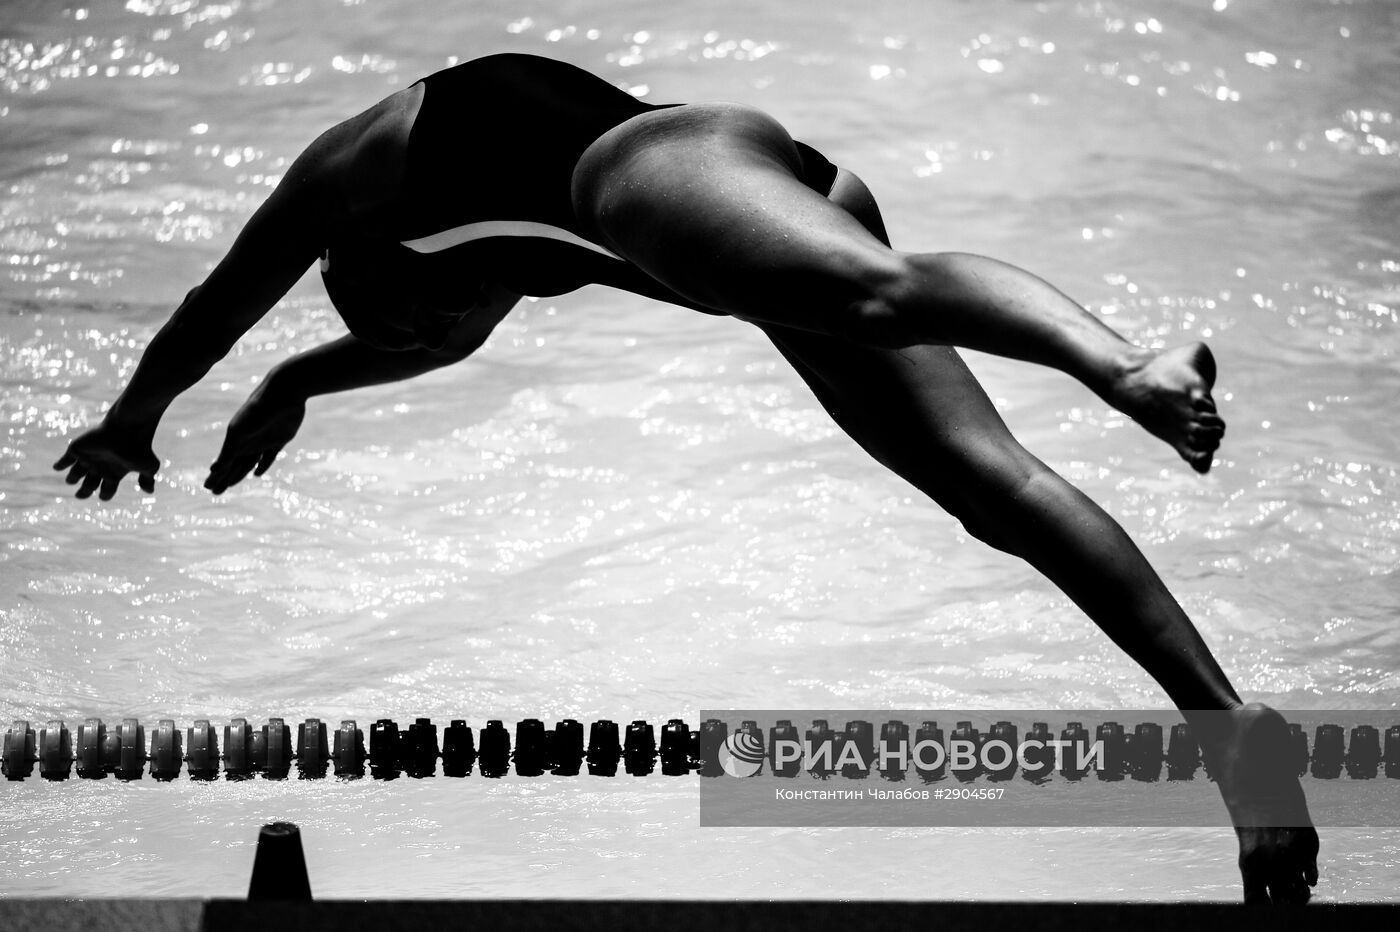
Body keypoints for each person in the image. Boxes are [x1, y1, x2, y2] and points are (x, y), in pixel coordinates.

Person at [52, 53, 1318, 902]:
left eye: (401, 333)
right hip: (764, 207)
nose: (440, 345)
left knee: (877, 296)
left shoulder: (359, 176)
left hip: (672, 171)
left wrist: (130, 420)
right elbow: (422, 336)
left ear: (369, 271)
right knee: (989, 485)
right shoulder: (465, 265)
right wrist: (301, 385)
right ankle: (1233, 736)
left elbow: (218, 303)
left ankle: (1126, 363)